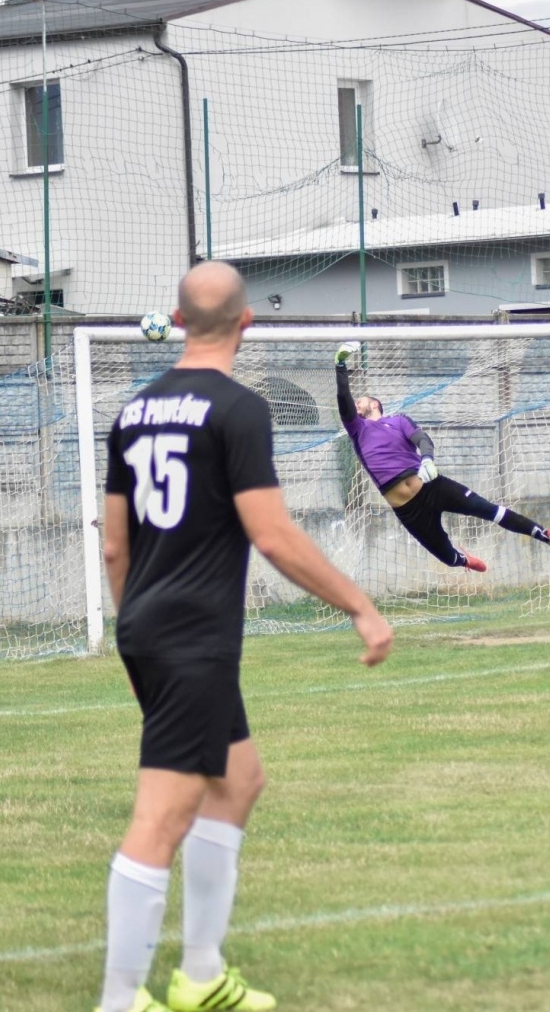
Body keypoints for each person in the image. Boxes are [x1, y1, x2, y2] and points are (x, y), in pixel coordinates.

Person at [98, 263, 393, 1012]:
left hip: (148, 624)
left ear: (177, 318)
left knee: (238, 781)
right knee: (162, 816)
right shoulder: (238, 409)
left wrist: (132, 630)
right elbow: (272, 534)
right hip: (193, 637)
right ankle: (119, 998)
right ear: (246, 323)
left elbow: (112, 545)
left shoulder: (133, 410)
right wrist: (359, 604)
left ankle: (199, 974)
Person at [334, 340, 550, 573]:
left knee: (489, 510)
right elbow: (343, 399)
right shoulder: (357, 429)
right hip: (407, 509)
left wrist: (427, 459)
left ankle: (547, 535)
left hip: (431, 486)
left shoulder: (398, 420)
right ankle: (464, 561)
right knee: (447, 556)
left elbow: (423, 439)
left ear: (375, 404)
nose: (357, 403)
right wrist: (340, 366)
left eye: (362, 400)